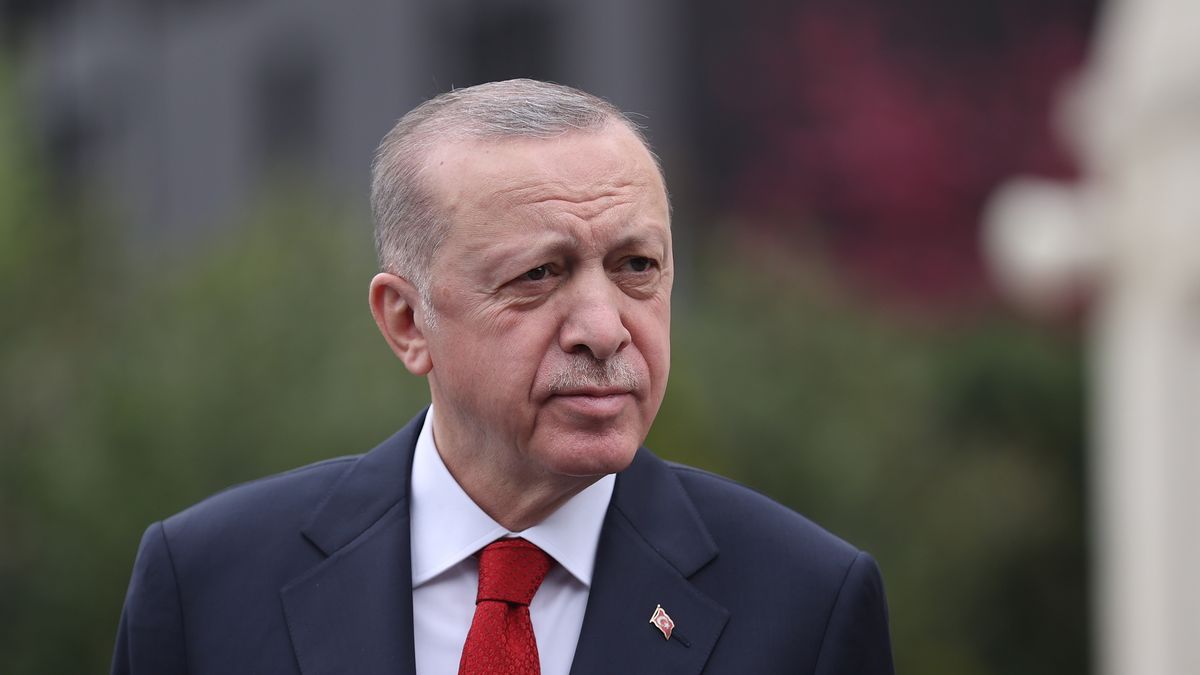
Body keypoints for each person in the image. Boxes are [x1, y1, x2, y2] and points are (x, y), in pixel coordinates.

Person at [111, 78, 894, 675]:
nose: (604, 328)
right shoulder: (208, 582)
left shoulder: (806, 602)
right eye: (538, 274)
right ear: (407, 321)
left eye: (636, 266)